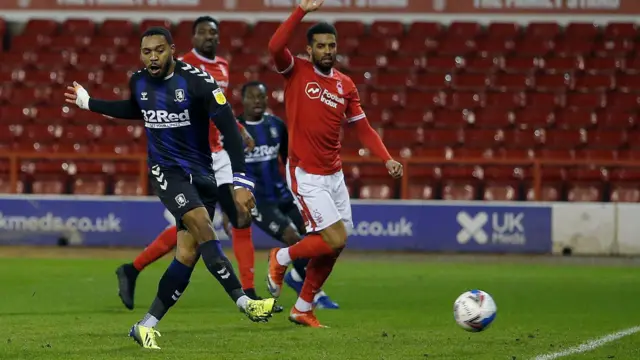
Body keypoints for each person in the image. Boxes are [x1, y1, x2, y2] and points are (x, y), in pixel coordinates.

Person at [64, 27, 276, 349]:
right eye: (146, 51)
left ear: (173, 50)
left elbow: (230, 130)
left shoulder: (198, 82)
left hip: (202, 174)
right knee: (205, 229)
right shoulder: (138, 80)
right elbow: (137, 109)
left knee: (187, 254)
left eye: (159, 50)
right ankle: (245, 302)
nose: (152, 57)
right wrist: (89, 102)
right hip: (167, 172)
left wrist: (241, 180)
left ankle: (145, 325)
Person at [114, 16, 274, 312]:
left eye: (213, 33)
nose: (208, 37)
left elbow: (218, 106)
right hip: (189, 158)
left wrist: (236, 128)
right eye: (202, 33)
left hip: (219, 153)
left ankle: (248, 291)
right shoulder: (177, 65)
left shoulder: (223, 65)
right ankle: (134, 268)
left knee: (238, 217)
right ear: (191, 39)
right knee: (196, 225)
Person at [265, 0, 404, 328]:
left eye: (332, 46)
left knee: (336, 246)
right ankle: (280, 258)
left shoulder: (345, 85)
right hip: (305, 173)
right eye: (321, 46)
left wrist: (386, 158)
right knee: (334, 238)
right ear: (309, 50)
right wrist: (300, 11)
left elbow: (363, 128)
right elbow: (274, 46)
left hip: (334, 175)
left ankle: (302, 307)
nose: (327, 51)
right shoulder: (295, 70)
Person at [229, 81, 339, 309]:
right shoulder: (233, 130)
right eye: (252, 97)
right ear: (243, 100)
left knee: (316, 236)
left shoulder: (276, 126)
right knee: (293, 238)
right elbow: (224, 167)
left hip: (283, 194)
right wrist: (228, 202)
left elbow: (291, 159)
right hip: (257, 201)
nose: (257, 101)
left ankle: (297, 279)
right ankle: (314, 293)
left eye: (261, 96)